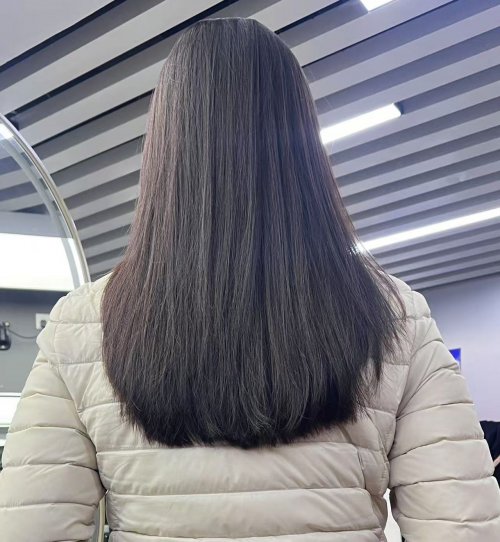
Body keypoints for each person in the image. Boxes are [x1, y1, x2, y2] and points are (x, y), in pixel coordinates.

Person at [1, 18, 499, 542]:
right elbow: (463, 529)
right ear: (303, 141)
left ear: (166, 144)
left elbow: (30, 530)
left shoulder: (84, 325)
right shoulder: (395, 315)